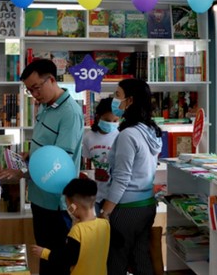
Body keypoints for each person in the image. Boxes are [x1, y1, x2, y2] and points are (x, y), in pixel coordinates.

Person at [0, 59, 84, 275]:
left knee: (56, 260)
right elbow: (48, 149)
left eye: (36, 88)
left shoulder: (70, 112)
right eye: (29, 90)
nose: (34, 95)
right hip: (39, 197)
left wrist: (22, 172)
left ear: (51, 80)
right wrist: (30, 154)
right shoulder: (46, 106)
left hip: (56, 202)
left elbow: (58, 163)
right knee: (45, 257)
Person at [99, 79, 161, 275]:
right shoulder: (150, 130)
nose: (114, 101)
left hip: (125, 209)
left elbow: (122, 178)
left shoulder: (128, 135)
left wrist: (106, 212)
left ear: (130, 100)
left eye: (117, 95)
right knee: (141, 258)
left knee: (116, 262)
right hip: (147, 205)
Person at [30, 178, 110, 275]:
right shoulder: (105, 224)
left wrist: (44, 253)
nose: (68, 209)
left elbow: (67, 259)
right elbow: (120, 241)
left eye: (67, 205)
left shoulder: (77, 230)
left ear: (74, 206)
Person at [82, 97, 120, 213]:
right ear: (98, 117)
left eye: (115, 121)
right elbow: (88, 165)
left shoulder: (120, 136)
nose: (111, 124)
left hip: (116, 196)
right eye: (107, 120)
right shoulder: (89, 137)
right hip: (97, 194)